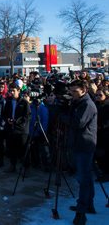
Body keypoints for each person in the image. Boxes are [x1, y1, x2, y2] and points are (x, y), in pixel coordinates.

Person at [64, 80, 98, 225]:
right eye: (71, 91)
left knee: (83, 179)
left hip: (84, 144)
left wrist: (63, 115)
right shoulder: (78, 102)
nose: (72, 94)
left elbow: (78, 123)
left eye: (75, 92)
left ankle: (81, 212)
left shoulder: (87, 104)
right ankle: (88, 204)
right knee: (86, 177)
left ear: (84, 90)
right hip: (78, 143)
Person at [3, 84, 31, 173]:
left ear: (18, 91)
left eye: (13, 90)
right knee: (11, 149)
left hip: (21, 131)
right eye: (10, 90)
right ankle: (12, 165)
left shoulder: (24, 102)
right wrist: (7, 119)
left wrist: (16, 121)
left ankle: (25, 168)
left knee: (23, 150)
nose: (11, 92)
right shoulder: (9, 101)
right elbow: (5, 113)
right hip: (11, 129)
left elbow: (27, 116)